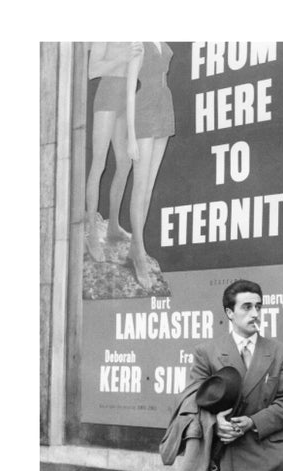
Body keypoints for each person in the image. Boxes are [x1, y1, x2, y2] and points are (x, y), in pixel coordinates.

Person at [186, 279, 283, 471]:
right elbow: (193, 401)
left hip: (264, 458)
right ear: (229, 312)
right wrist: (216, 422)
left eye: (258, 307)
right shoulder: (207, 352)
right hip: (223, 458)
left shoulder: (281, 353)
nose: (255, 313)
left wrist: (251, 422)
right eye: (246, 307)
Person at [85, 42, 143, 261]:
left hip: (127, 97)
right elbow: (93, 70)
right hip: (108, 95)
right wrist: (123, 58)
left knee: (125, 163)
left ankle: (113, 226)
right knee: (99, 163)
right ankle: (92, 233)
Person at [126, 42, 175, 290]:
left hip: (164, 107)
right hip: (144, 110)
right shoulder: (138, 42)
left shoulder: (163, 43)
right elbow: (130, 89)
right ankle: (139, 254)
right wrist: (131, 136)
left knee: (149, 187)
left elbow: (164, 77)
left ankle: (136, 246)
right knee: (140, 186)